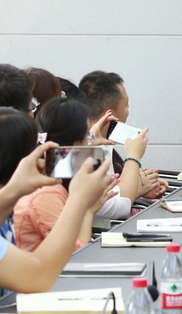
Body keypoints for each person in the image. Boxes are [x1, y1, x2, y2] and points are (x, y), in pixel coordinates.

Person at [0, 107, 114, 293]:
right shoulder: (45, 196)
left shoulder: (14, 198)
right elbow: (38, 277)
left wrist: (14, 189)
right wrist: (80, 201)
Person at [14, 99, 118, 252]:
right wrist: (87, 210)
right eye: (87, 136)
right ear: (76, 146)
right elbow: (77, 254)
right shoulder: (47, 194)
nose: (90, 142)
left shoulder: (45, 184)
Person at [79, 70, 166, 201]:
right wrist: (133, 158)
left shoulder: (97, 143)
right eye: (126, 105)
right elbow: (115, 204)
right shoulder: (88, 153)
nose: (128, 111)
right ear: (109, 114)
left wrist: (141, 184)